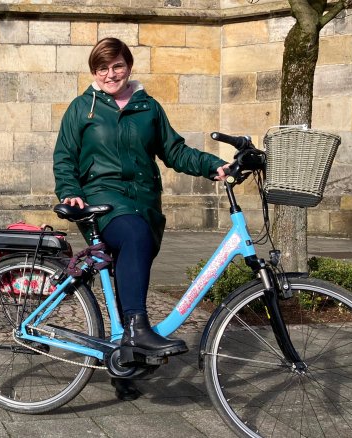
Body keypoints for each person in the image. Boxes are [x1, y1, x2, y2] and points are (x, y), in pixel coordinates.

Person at [53, 37, 228, 400]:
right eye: (102, 68)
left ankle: (125, 359)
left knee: (132, 263)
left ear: (128, 66)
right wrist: (69, 188)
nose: (110, 74)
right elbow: (64, 157)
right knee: (133, 236)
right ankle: (136, 329)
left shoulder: (148, 107)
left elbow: (174, 150)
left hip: (144, 204)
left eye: (117, 65)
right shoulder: (81, 108)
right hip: (101, 202)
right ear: (94, 72)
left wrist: (215, 166)